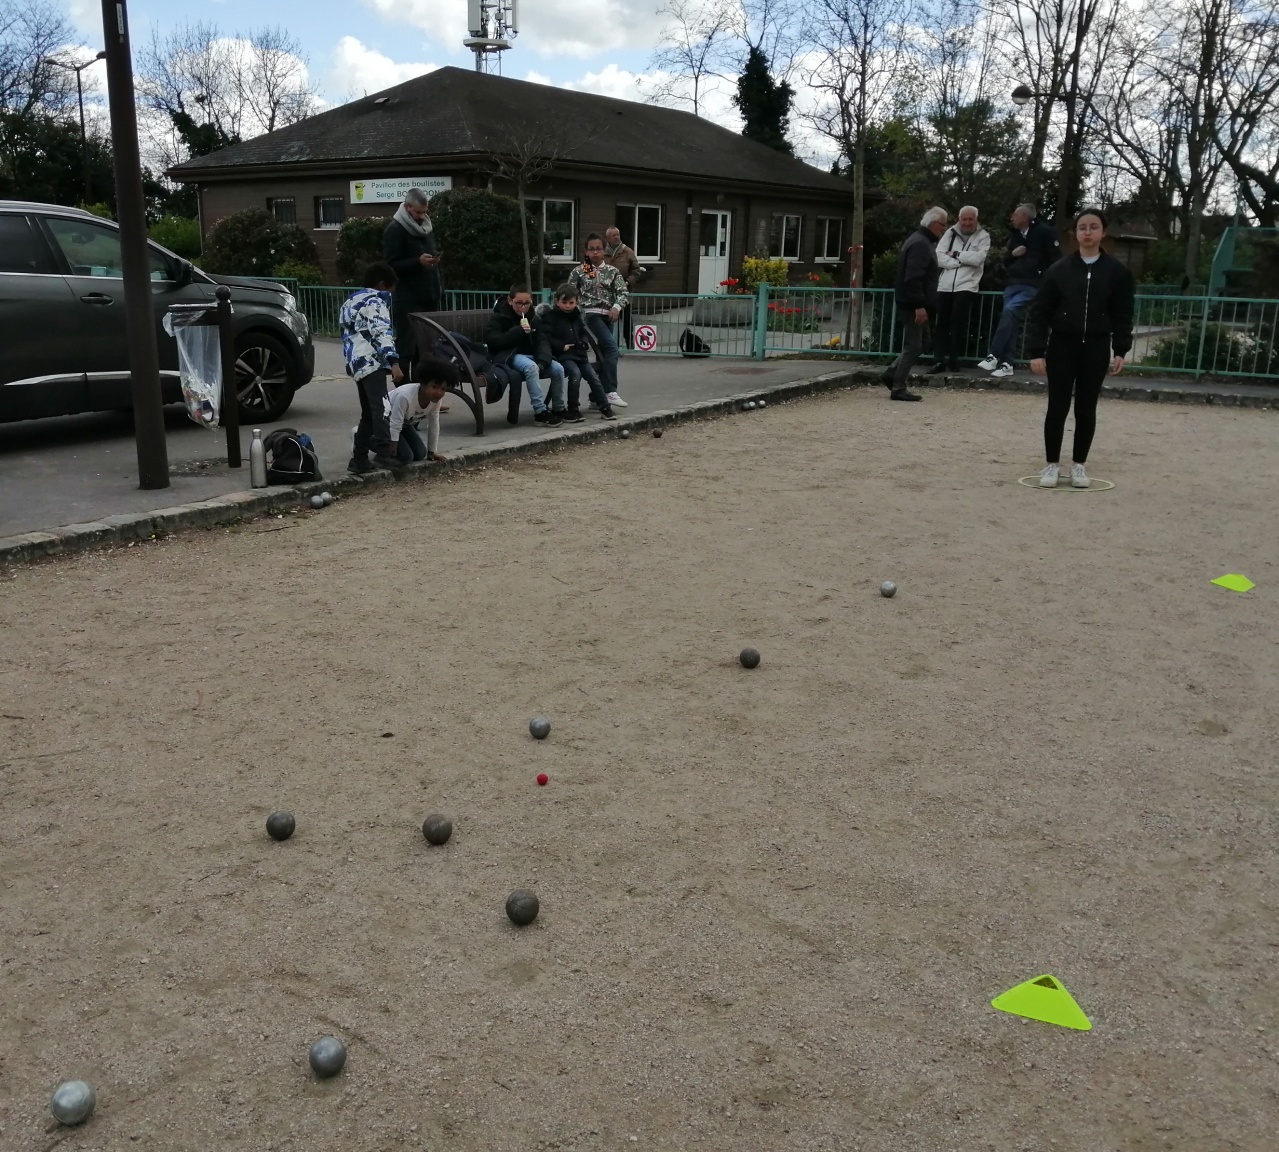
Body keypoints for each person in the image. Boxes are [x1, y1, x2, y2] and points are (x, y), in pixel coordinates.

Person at [1025, 209, 1134, 489]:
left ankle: (1079, 465)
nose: (1087, 232)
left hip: (1096, 347)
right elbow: (1039, 312)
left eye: (1093, 227)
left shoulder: (1117, 272)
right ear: (1075, 233)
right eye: (1082, 227)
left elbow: (1123, 313)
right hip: (1062, 345)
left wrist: (1121, 348)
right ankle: (1051, 465)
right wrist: (1036, 351)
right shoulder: (1058, 270)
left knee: (1086, 408)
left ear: (1103, 232)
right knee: (1057, 406)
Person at [339, 261, 404, 473]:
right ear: (383, 285)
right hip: (371, 360)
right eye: (390, 290)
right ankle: (384, 453)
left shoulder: (349, 302)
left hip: (356, 362)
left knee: (368, 411)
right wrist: (393, 362)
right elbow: (380, 332)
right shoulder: (375, 302)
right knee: (381, 407)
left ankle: (359, 459)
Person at [981, 203, 1060, 378]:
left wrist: (1045, 280)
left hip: (1033, 284)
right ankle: (1007, 363)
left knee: (1010, 310)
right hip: (1013, 283)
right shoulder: (1015, 236)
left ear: (1024, 217)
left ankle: (994, 354)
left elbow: (1056, 259)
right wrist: (1012, 255)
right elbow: (1006, 261)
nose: (1012, 218)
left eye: (1015, 215)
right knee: (1010, 319)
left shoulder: (1045, 232)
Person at [880, 206, 947, 401]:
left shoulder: (919, 240)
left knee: (921, 343)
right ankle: (898, 386)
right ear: (934, 224)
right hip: (913, 304)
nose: (944, 229)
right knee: (914, 344)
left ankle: (893, 374)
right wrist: (919, 305)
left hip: (914, 302)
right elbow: (913, 278)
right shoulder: (921, 244)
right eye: (943, 225)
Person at [484, 284, 567, 426]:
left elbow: (542, 341)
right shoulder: (499, 317)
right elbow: (493, 341)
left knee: (558, 369)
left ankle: (559, 408)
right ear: (510, 301)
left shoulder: (534, 318)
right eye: (518, 303)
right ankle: (540, 412)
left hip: (532, 354)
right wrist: (517, 331)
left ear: (532, 301)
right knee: (531, 368)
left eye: (527, 303)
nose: (523, 307)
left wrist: (544, 360)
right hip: (510, 355)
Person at [383, 188, 443, 381]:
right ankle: (403, 396)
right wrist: (417, 262)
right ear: (407, 207)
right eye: (418, 212)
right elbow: (391, 265)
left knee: (425, 350)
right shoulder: (395, 230)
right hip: (408, 299)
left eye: (425, 212)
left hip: (429, 295)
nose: (422, 216)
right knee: (406, 347)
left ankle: (423, 395)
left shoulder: (426, 228)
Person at [540, 283, 617, 422]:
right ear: (557, 302)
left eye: (571, 302)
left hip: (579, 355)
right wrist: (561, 346)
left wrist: (583, 342)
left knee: (593, 377)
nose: (568, 306)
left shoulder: (576, 316)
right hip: (563, 356)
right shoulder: (551, 318)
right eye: (564, 302)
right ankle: (573, 409)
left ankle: (604, 407)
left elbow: (582, 332)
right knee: (575, 375)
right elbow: (546, 337)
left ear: (577, 302)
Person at [568, 234, 629, 409]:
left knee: (604, 356)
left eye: (599, 249)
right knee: (611, 349)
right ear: (586, 251)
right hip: (590, 315)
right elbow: (569, 293)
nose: (595, 252)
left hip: (608, 316)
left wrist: (617, 307)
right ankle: (610, 391)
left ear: (604, 251)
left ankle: (596, 397)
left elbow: (623, 293)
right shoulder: (580, 271)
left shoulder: (612, 271)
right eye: (591, 249)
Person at [930, 205, 990, 373]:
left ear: (976, 219)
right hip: (945, 285)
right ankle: (939, 360)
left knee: (958, 324)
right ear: (959, 219)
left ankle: (954, 360)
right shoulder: (949, 233)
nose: (967, 222)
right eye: (964, 219)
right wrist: (960, 261)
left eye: (971, 219)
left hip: (967, 285)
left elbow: (978, 259)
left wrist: (955, 254)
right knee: (941, 324)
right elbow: (939, 256)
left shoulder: (983, 236)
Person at [386, 355, 457, 465]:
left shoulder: (435, 400)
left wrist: (432, 452)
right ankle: (365, 438)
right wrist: (392, 452)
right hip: (384, 422)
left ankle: (390, 445)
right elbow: (395, 424)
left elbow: (433, 424)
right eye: (434, 387)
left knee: (420, 453)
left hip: (404, 424)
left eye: (443, 389)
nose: (439, 393)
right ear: (423, 383)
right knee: (406, 456)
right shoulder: (405, 396)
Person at [604, 226, 644, 350]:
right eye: (613, 235)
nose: (616, 237)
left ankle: (629, 342)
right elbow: (591, 268)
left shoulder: (627, 252)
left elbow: (636, 270)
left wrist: (627, 282)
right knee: (607, 318)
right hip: (607, 293)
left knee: (626, 319)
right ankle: (609, 345)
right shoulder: (602, 252)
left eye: (618, 234)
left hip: (624, 292)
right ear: (608, 238)